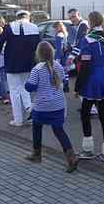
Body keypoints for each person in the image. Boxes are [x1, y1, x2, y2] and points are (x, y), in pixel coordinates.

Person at [75, 11, 104, 163]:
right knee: (103, 116)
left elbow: (86, 65)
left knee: (85, 114)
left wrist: (78, 85)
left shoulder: (87, 40)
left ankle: (88, 150)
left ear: (90, 22)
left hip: (93, 79)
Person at [24, 41, 77, 172]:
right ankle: (71, 157)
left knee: (37, 126)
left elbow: (30, 87)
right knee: (59, 130)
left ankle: (37, 154)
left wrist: (26, 82)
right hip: (58, 104)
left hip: (42, 105)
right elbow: (64, 82)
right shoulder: (58, 66)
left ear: (38, 54)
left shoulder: (37, 69)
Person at [0, 9, 41, 126]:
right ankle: (30, 111)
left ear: (17, 17)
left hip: (12, 64)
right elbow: (39, 47)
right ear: (28, 17)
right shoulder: (35, 28)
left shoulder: (9, 27)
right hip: (29, 64)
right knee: (25, 88)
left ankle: (18, 119)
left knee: (14, 91)